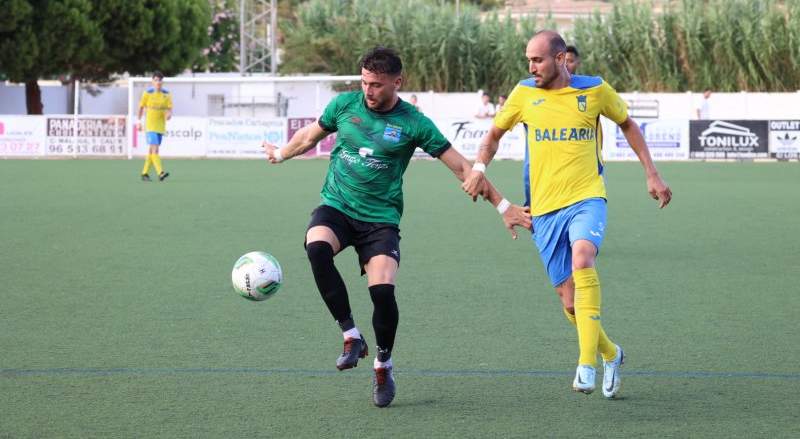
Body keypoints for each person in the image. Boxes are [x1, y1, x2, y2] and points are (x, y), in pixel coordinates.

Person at [261, 46, 531, 408]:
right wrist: (280, 154)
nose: (368, 91)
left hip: (380, 220)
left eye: (376, 84)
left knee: (383, 293)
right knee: (316, 248)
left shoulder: (414, 122)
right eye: (364, 82)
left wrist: (502, 204)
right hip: (337, 206)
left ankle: (383, 364)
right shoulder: (345, 105)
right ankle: (351, 335)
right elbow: (309, 137)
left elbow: (462, 169)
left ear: (396, 82)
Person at [462, 30, 672, 399]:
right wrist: (479, 166)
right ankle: (612, 354)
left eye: (538, 59)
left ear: (560, 59)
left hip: (587, 197)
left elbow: (628, 125)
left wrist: (651, 172)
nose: (531, 67)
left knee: (583, 257)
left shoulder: (595, 90)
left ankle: (586, 363)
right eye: (528, 60)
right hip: (542, 209)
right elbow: (492, 136)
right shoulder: (523, 93)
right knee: (570, 302)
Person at [136, 71, 172, 181]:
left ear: (163, 82)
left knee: (152, 149)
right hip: (150, 124)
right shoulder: (147, 93)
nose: (158, 82)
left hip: (160, 125)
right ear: (153, 81)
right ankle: (160, 173)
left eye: (160, 80)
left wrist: (169, 114)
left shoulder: (167, 95)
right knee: (155, 147)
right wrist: (138, 121)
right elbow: (140, 107)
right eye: (155, 80)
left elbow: (169, 109)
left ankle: (144, 173)